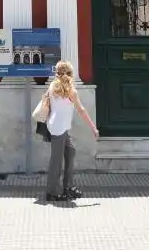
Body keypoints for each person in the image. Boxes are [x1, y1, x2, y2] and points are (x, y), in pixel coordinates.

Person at [43, 60, 98, 202]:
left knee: (70, 152)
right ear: (71, 74)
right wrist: (93, 127)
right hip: (58, 128)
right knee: (56, 161)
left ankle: (68, 187)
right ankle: (52, 192)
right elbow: (82, 110)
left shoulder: (52, 87)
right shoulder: (71, 91)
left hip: (58, 126)